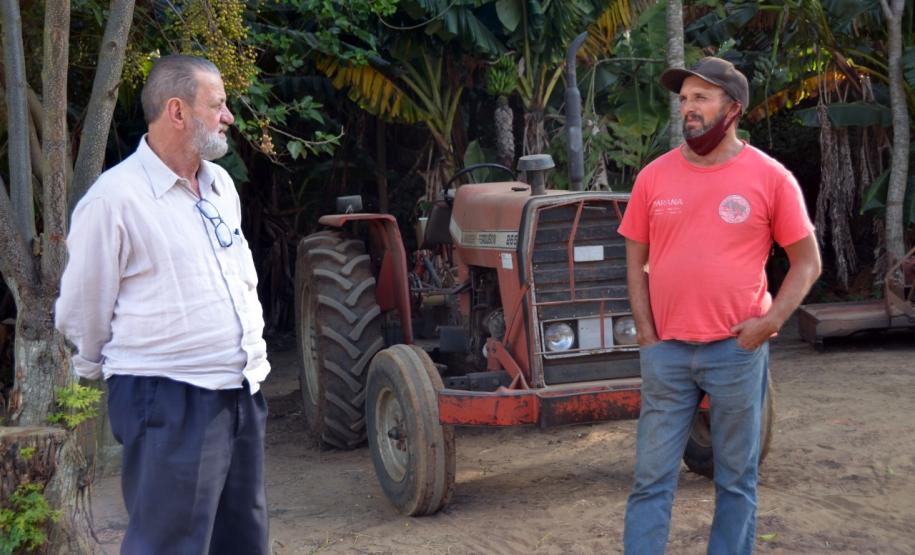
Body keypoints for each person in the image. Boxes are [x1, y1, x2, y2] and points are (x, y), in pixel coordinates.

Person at [55, 55, 270, 554]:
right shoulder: (115, 200)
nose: (228, 116)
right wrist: (96, 368)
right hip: (169, 398)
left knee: (242, 540)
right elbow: (83, 309)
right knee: (169, 544)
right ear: (177, 111)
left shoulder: (221, 187)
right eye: (217, 104)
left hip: (240, 391)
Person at [618, 57, 822, 555]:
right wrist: (646, 335)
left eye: (700, 98)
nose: (688, 108)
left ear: (733, 108)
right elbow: (634, 261)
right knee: (651, 480)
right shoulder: (653, 178)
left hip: (736, 352)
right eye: (684, 98)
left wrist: (769, 323)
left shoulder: (770, 178)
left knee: (735, 479)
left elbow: (807, 263)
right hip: (666, 353)